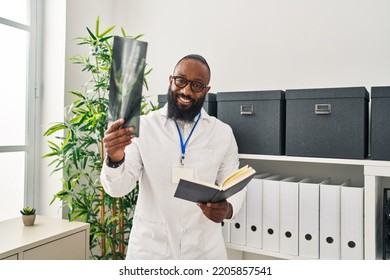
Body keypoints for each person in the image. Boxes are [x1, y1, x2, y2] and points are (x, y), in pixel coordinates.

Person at [100, 54, 246, 259]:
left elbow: (234, 182)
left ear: (206, 90)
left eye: (196, 85)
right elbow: (118, 189)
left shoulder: (222, 133)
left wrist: (228, 209)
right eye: (181, 81)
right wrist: (115, 158)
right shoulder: (142, 127)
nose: (186, 90)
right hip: (151, 251)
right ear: (171, 80)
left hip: (203, 251)